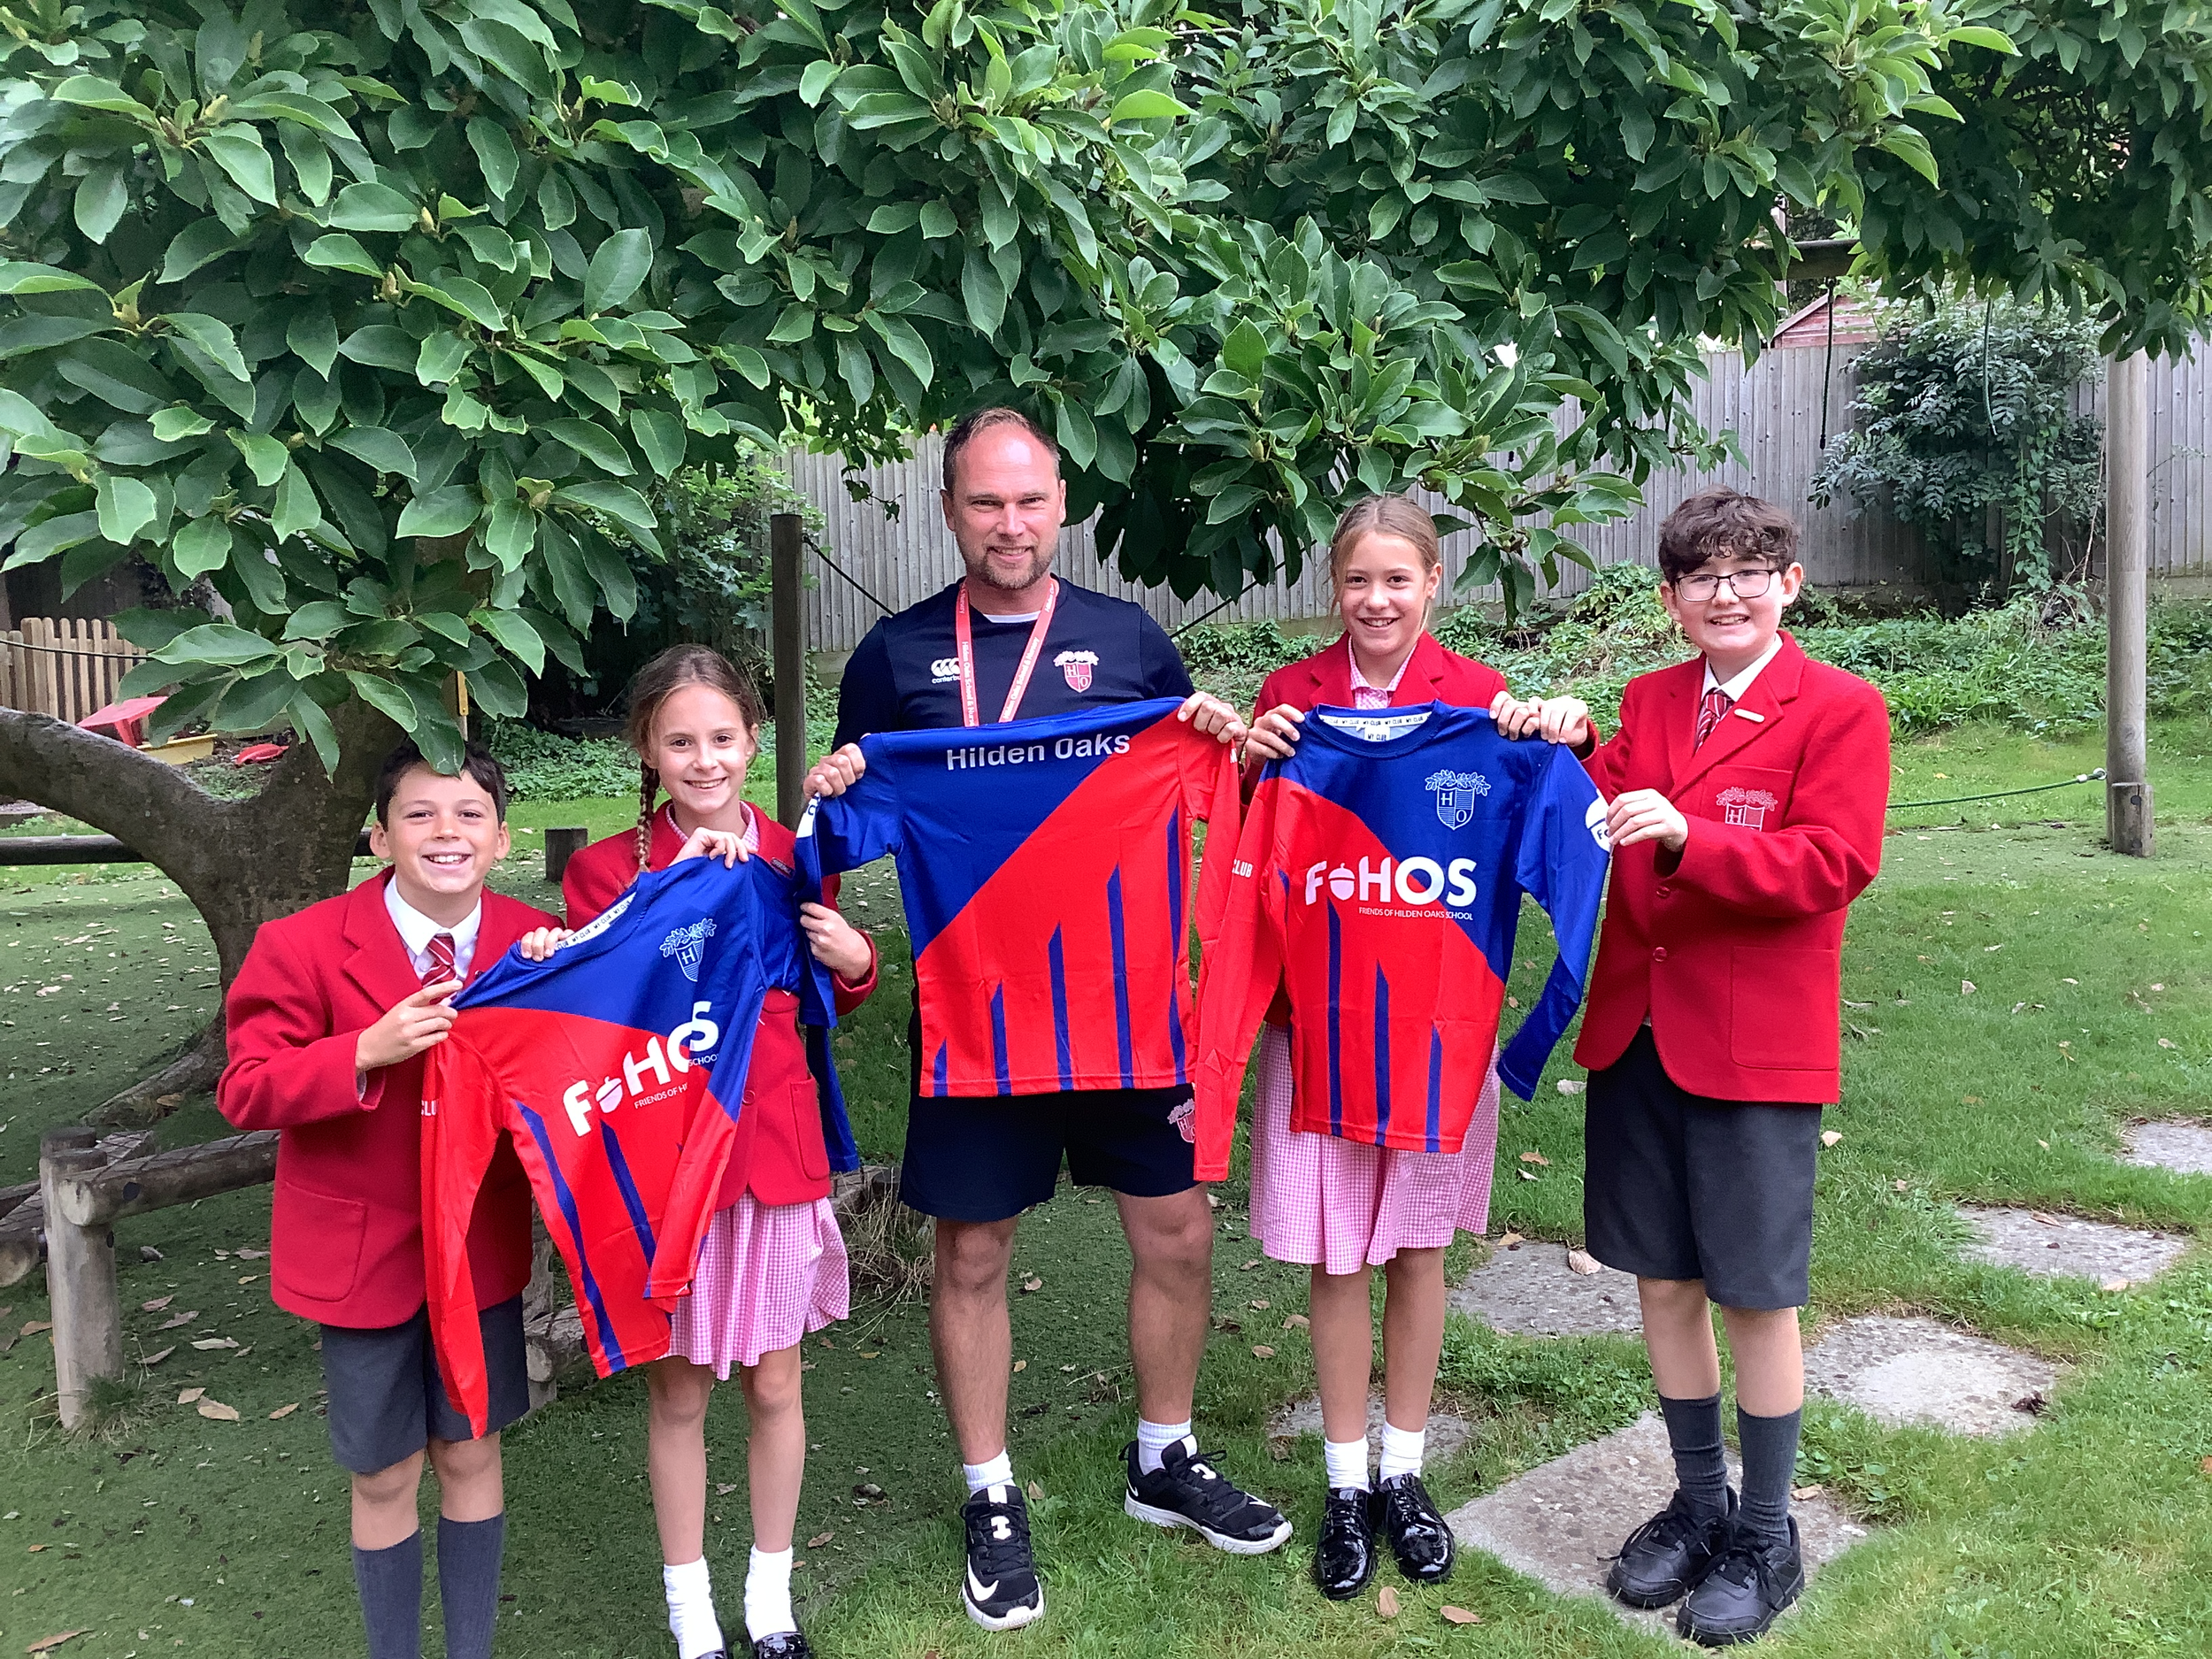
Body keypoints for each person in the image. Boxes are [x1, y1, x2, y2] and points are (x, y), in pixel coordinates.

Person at [803, 405, 1285, 1631]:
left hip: (1126, 1009)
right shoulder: (894, 656)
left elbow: (1217, 789)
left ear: (1059, 502)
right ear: (950, 509)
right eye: (982, 501)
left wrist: (1224, 743)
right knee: (971, 1252)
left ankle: (1161, 1456)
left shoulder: (1132, 643)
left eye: (1027, 500)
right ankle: (989, 1491)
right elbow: (849, 825)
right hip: (979, 1016)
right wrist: (840, 784)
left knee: (1176, 1229)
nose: (1007, 524)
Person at [1522, 488, 1889, 1644]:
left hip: (1751, 1045)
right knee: (1664, 1281)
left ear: (1788, 581)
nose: (1723, 592)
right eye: (1699, 575)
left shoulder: (1839, 708)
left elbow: (1833, 860)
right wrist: (1579, 740)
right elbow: (1607, 805)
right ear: (1672, 599)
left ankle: (1766, 1530)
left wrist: (1693, 838)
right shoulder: (1651, 699)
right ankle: (1697, 1500)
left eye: (1747, 570)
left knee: (1754, 1294)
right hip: (1639, 1032)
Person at [1238, 495, 1569, 1600]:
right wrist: (1247, 760)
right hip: (1319, 1025)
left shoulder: (1482, 700)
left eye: (1397, 579)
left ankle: (1405, 1472)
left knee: (1417, 1249)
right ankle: (1342, 1481)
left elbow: (1566, 818)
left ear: (1434, 583)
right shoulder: (1289, 700)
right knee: (1338, 1256)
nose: (1375, 600)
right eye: (1356, 581)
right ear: (1333, 590)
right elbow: (1244, 853)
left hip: (1436, 1029)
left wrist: (1556, 733)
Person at [520, 645, 878, 1659]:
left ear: (753, 739)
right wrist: (626, 917)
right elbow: (590, 1017)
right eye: (680, 741)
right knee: (677, 1388)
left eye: (723, 738)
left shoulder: (795, 848)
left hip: (771, 1144)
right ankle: (692, 1614)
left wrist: (857, 965)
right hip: (663, 1163)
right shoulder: (602, 870)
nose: (705, 760)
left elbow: (820, 990)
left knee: (775, 1381)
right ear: (646, 749)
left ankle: (769, 1602)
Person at [219, 742, 555, 1659]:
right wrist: (362, 1051)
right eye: (419, 814)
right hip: (361, 1258)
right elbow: (246, 1088)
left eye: (468, 814)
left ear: (500, 839)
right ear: (379, 838)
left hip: (477, 1251)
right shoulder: (302, 945)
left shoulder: (539, 940)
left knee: (472, 1454)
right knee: (384, 1471)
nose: (445, 831)